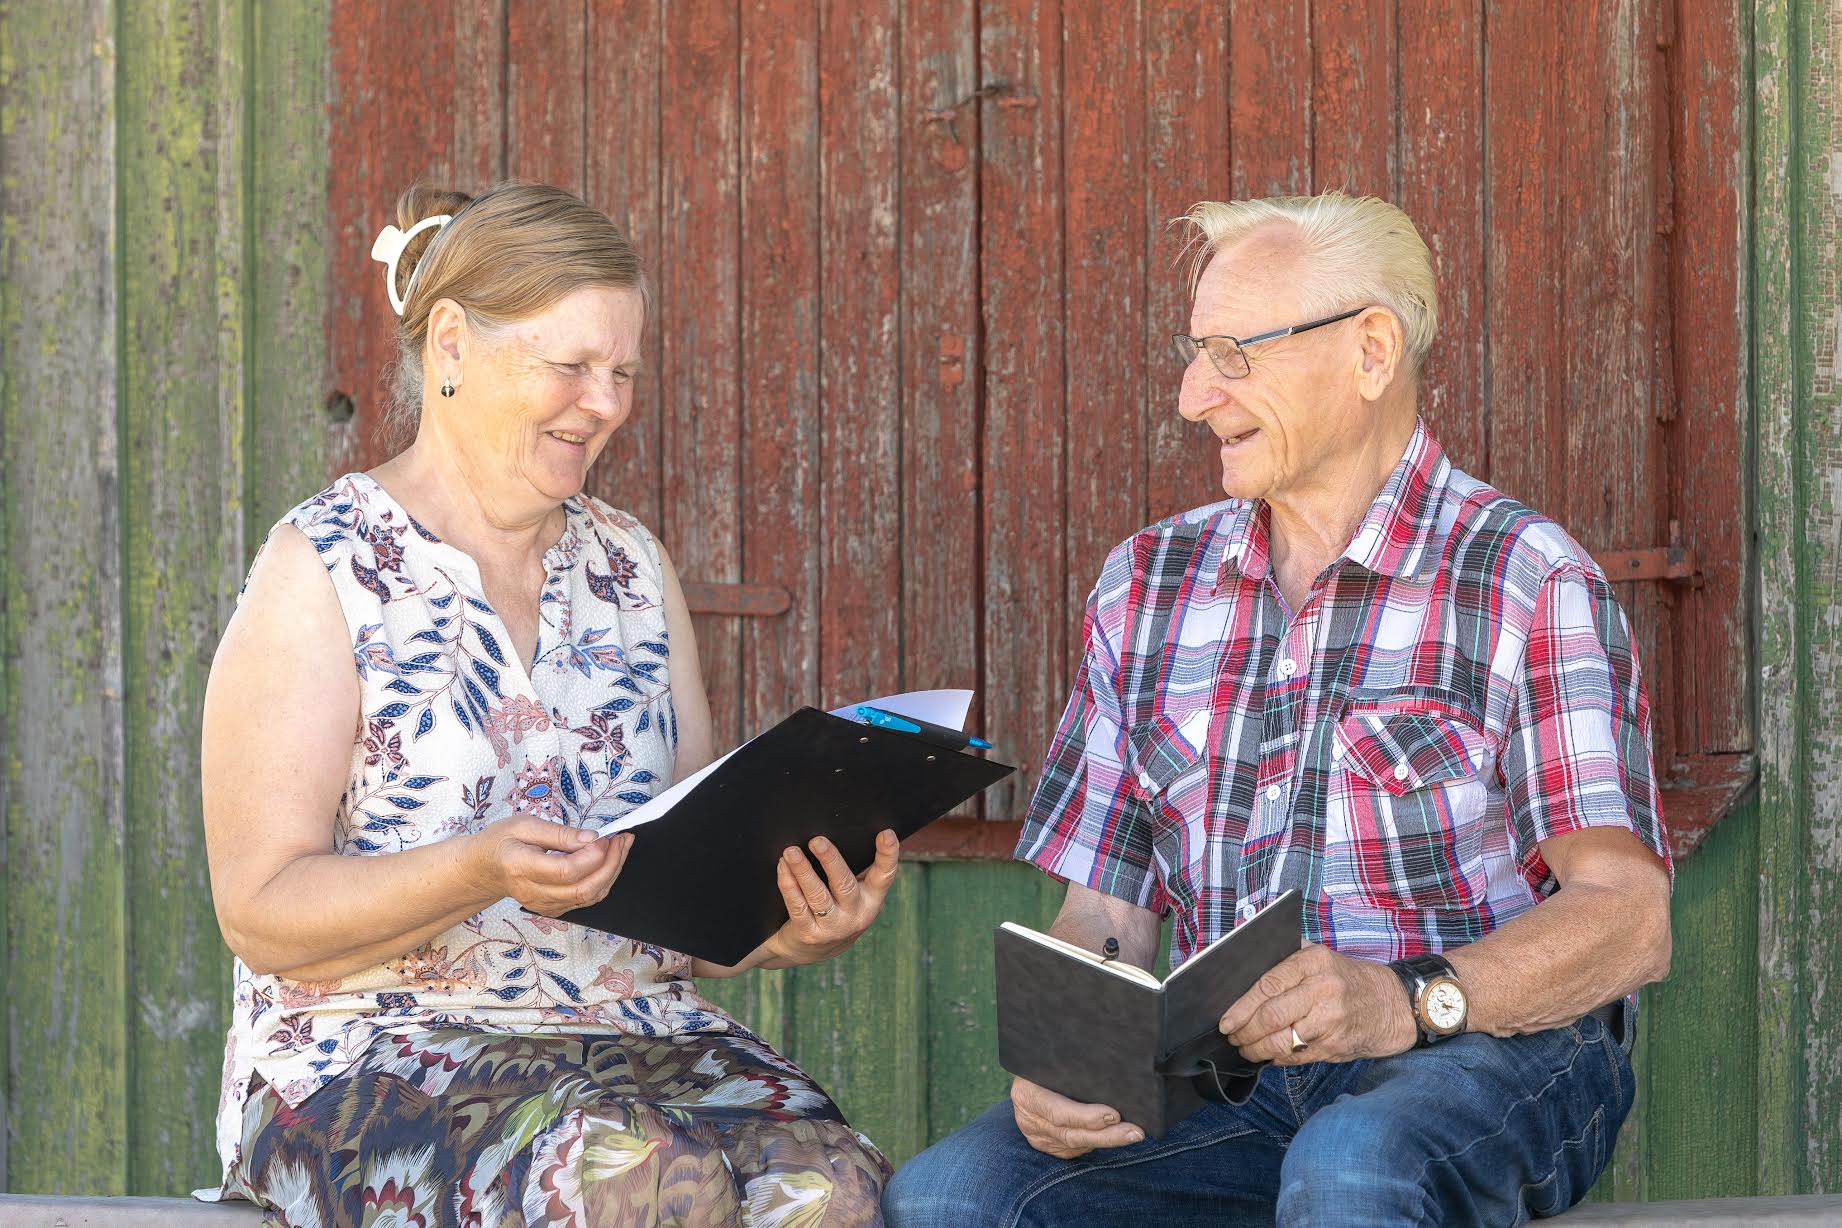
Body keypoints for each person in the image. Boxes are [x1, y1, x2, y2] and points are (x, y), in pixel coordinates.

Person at [884, 191, 1674, 1227]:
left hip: (1481, 1050)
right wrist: (1070, 1051)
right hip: (1229, 1075)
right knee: (952, 1196)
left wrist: (1402, 999)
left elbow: (1628, 918)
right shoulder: (1150, 582)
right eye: (1194, 351)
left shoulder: (1524, 578)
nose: (1192, 394)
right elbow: (1104, 912)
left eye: (1232, 353)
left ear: (1371, 351)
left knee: (1352, 1166)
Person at [199, 180, 894, 1226]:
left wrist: (792, 927)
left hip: (635, 1042)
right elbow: (259, 909)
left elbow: (671, 906)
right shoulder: (326, 566)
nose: (606, 402)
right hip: (368, 1053)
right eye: (570, 367)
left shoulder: (631, 569)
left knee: (831, 1184)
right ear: (451, 346)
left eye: (622, 372)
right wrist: (476, 868)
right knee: (635, 1174)